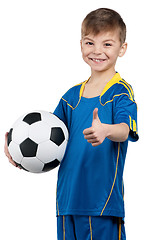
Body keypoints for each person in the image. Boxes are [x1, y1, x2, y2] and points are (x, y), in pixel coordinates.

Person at [5, 8, 139, 240]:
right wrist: (17, 150)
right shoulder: (71, 97)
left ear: (122, 48)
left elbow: (125, 130)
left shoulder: (120, 92)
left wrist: (106, 130)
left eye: (107, 44)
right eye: (90, 43)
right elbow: (47, 135)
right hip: (67, 203)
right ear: (81, 45)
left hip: (102, 204)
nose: (97, 51)